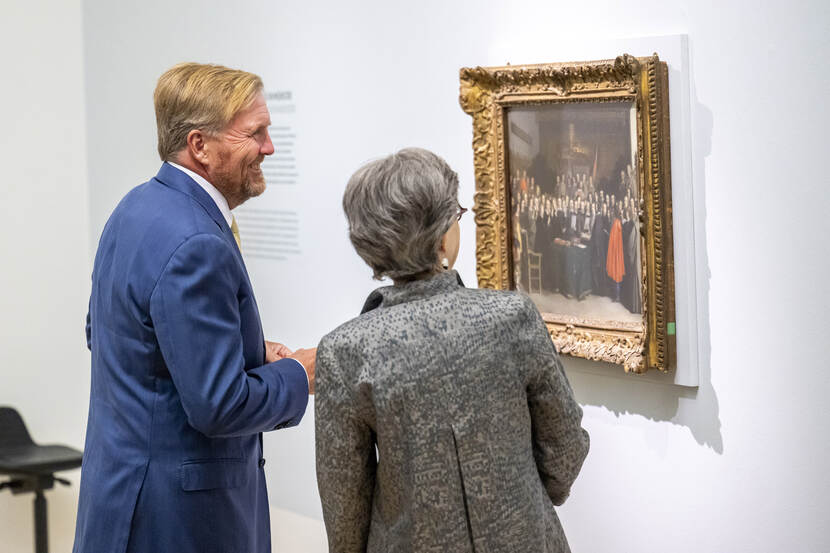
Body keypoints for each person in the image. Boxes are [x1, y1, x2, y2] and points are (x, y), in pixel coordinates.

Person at [73, 63, 316, 553]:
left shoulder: (134, 208)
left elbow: (111, 334)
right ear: (200, 145)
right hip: (175, 522)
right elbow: (220, 406)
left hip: (119, 498)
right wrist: (299, 374)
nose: (269, 147)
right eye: (255, 133)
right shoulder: (197, 243)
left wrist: (242, 351)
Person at [315, 148, 590, 552]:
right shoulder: (511, 317)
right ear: (444, 234)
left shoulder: (345, 352)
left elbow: (345, 508)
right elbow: (565, 448)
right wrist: (522, 499)